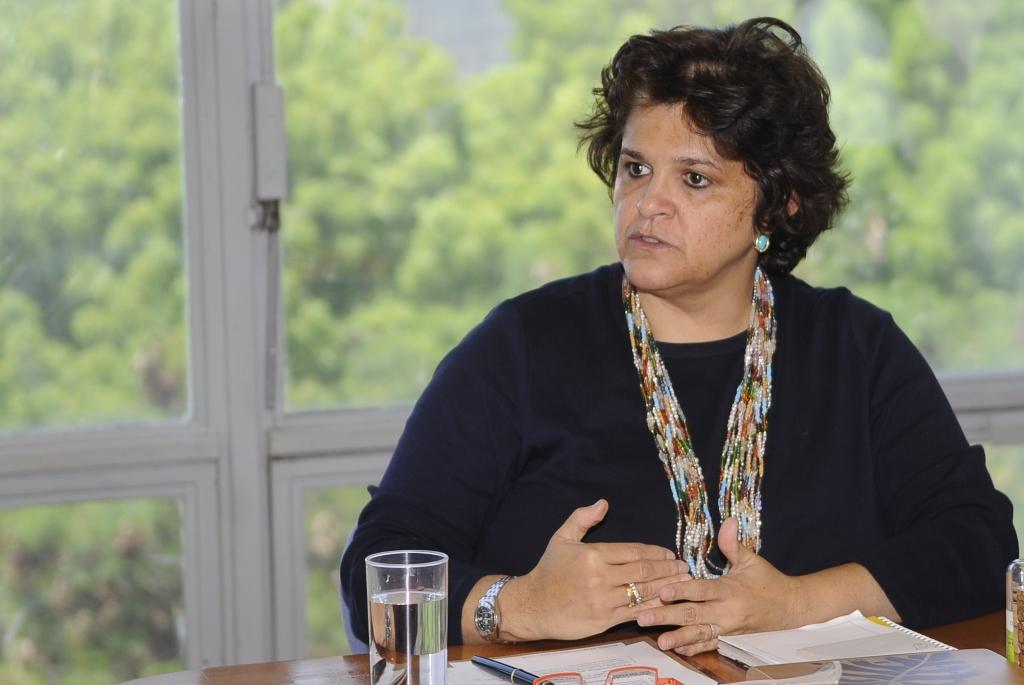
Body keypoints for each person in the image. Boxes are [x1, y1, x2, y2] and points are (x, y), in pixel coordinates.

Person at [340, 16, 1017, 656]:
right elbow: (375, 574)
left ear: (778, 206)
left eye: (694, 178)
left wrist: (796, 603)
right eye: (635, 168)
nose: (648, 203)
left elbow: (981, 543)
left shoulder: (856, 348)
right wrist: (516, 605)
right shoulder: (521, 346)